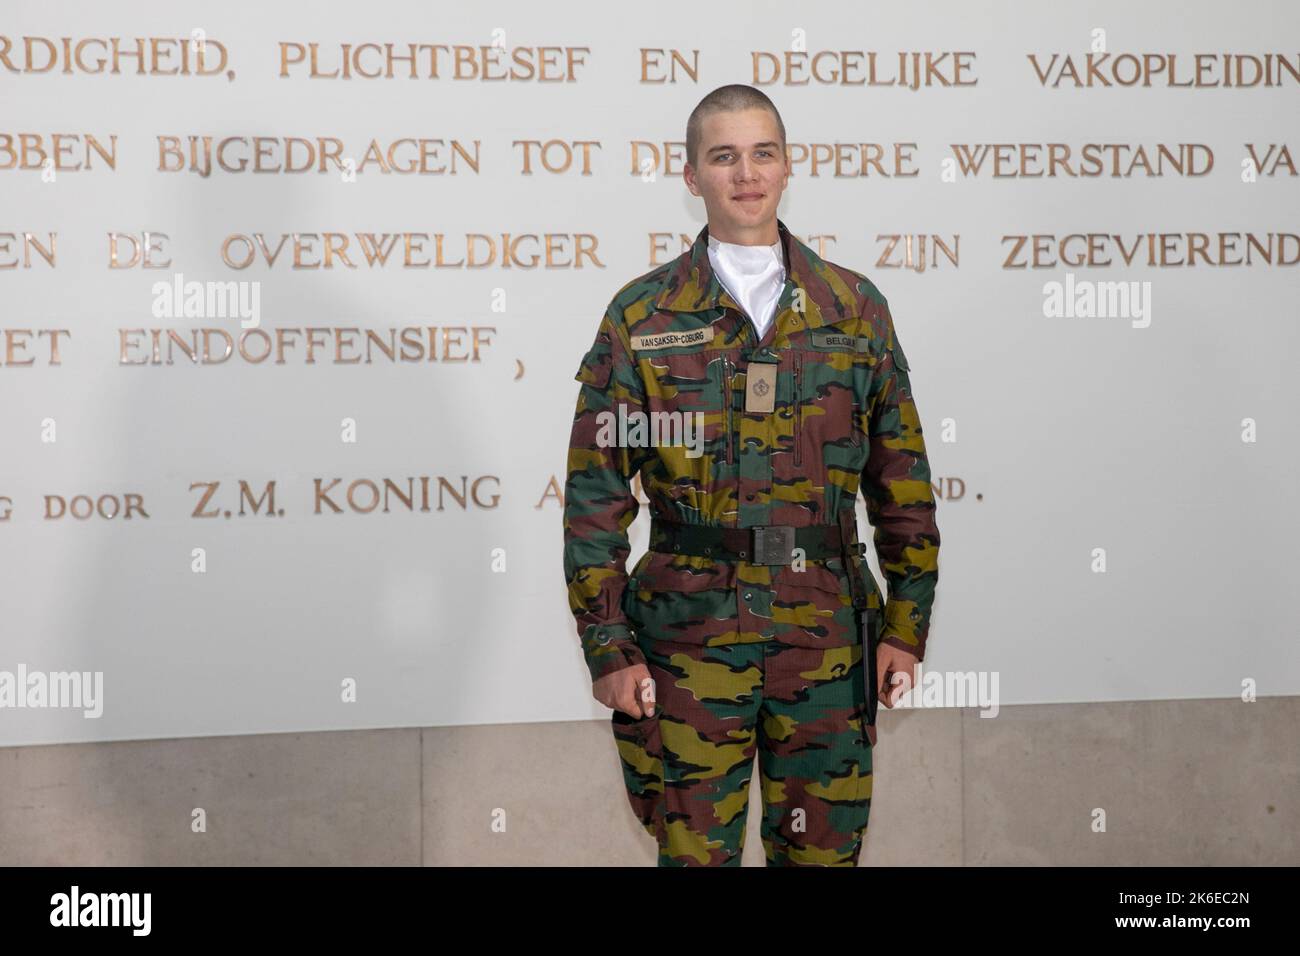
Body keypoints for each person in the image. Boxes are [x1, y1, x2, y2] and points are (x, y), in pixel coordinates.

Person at [562, 84, 940, 866]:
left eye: (762, 152)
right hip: (686, 636)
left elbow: (901, 482)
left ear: (788, 165)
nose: (746, 173)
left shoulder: (854, 307)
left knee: (823, 857)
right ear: (692, 175)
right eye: (723, 156)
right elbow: (595, 498)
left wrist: (906, 626)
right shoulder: (643, 316)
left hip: (828, 636)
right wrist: (608, 646)